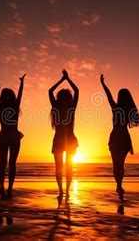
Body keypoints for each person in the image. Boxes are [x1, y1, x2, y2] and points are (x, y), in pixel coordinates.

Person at [101, 74, 139, 201]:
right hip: (125, 138)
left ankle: (119, 185)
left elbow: (108, 96)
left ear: (119, 97)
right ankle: (119, 185)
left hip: (115, 138)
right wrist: (130, 144)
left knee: (116, 164)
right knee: (121, 165)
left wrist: (103, 84)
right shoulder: (129, 111)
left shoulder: (116, 108)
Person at [0, 74, 26, 200]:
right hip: (14, 137)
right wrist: (22, 82)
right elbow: (20, 94)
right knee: (12, 164)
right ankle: (10, 188)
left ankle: (1, 186)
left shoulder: (0, 108)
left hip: (4, 136)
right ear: (12, 96)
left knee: (3, 163)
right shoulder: (15, 106)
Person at [49, 70, 79, 202]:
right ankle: (62, 191)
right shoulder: (57, 107)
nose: (64, 99)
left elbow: (76, 91)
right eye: (63, 97)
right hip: (62, 140)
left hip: (69, 140)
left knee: (66, 167)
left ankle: (65, 191)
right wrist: (64, 79)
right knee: (61, 167)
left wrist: (65, 79)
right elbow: (50, 92)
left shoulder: (71, 107)